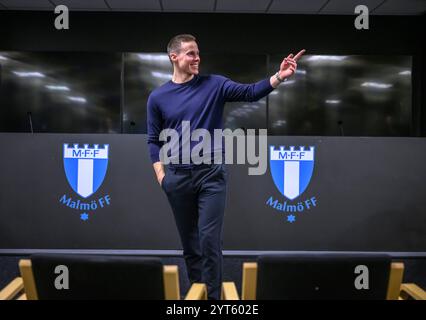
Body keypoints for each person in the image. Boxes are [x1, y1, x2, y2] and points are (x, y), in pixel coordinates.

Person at [147, 34, 305, 299]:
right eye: (190, 54)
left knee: (209, 240)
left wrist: (280, 76)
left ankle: (214, 298)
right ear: (174, 57)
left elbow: (250, 92)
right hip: (177, 178)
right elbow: (153, 140)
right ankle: (197, 294)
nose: (197, 58)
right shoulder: (158, 97)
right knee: (190, 244)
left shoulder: (214, 84)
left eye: (198, 53)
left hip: (211, 174)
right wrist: (162, 176)